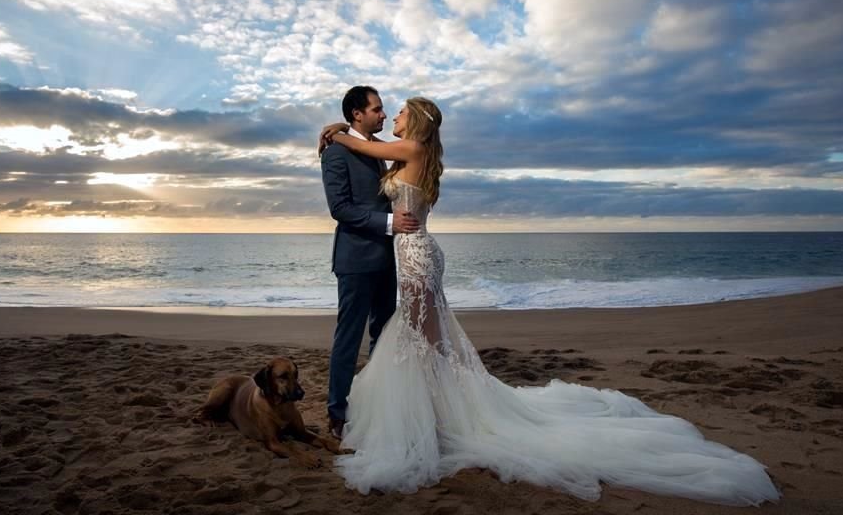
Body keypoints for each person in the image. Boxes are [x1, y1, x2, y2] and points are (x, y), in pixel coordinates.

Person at [317, 96, 780, 505]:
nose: (390, 114)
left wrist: (337, 131)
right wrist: (343, 133)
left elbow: (362, 146)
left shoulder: (409, 149)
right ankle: (443, 408)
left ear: (414, 121)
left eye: (396, 110)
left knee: (417, 339)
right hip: (410, 254)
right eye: (382, 109)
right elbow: (358, 177)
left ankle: (437, 415)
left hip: (415, 255)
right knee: (421, 340)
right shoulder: (410, 154)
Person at [319, 85, 419, 441]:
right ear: (357, 114)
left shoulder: (380, 152)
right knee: (349, 338)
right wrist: (391, 223)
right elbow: (340, 209)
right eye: (376, 109)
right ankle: (337, 412)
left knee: (383, 335)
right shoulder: (335, 155)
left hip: (387, 260)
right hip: (355, 260)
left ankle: (376, 404)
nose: (382, 114)